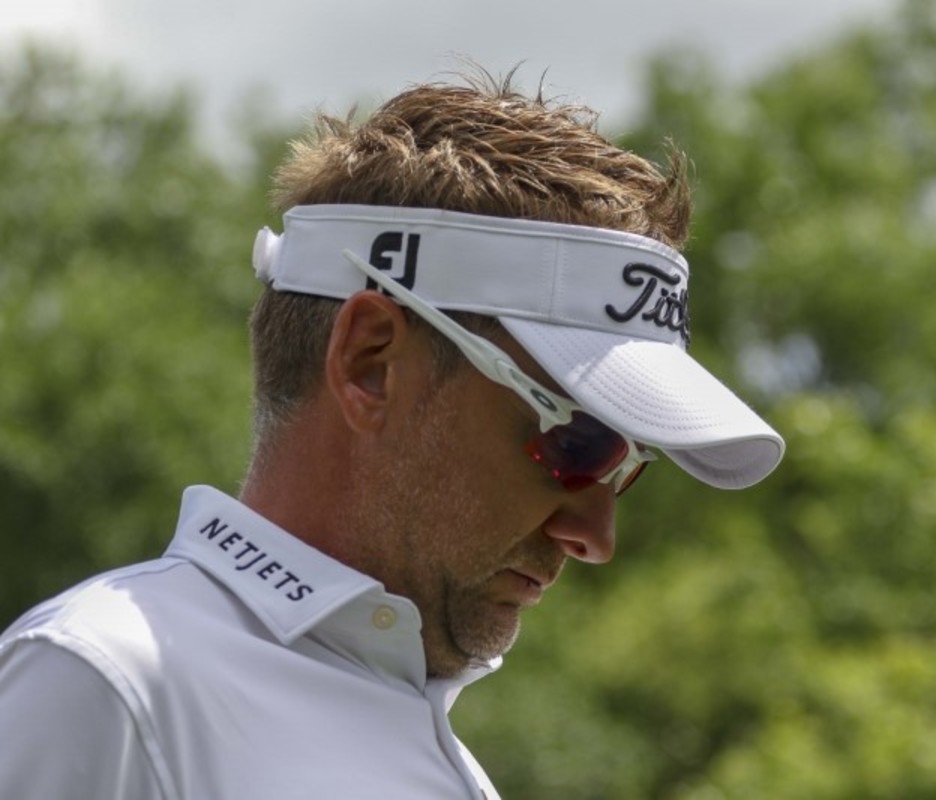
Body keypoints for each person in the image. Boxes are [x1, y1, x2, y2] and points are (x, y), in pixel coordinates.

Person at [0, 72, 783, 798]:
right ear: (370, 363)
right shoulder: (103, 682)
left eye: (626, 464)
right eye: (578, 444)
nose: (596, 537)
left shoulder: (436, 750)